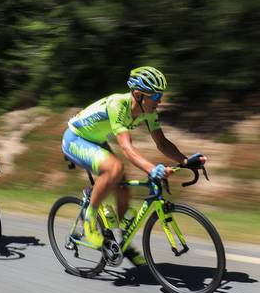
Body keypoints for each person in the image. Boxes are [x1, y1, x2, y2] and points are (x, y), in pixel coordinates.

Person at [62, 66, 203, 266]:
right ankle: (89, 219)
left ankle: (123, 244)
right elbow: (127, 148)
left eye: (161, 95)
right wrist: (151, 169)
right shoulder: (118, 105)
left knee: (124, 187)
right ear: (138, 94)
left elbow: (162, 143)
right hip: (75, 139)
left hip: (96, 140)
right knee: (115, 168)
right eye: (155, 96)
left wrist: (186, 161)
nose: (160, 101)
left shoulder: (148, 112)